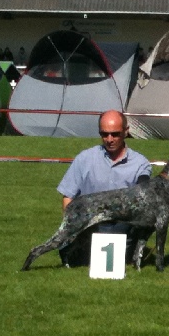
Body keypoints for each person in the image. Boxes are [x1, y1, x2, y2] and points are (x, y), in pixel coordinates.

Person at [57, 110, 152, 266]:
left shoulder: (140, 163)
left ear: (126, 131)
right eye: (104, 134)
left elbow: (145, 195)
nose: (109, 139)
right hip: (89, 225)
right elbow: (68, 196)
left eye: (115, 134)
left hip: (122, 226)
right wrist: (71, 227)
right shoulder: (84, 159)